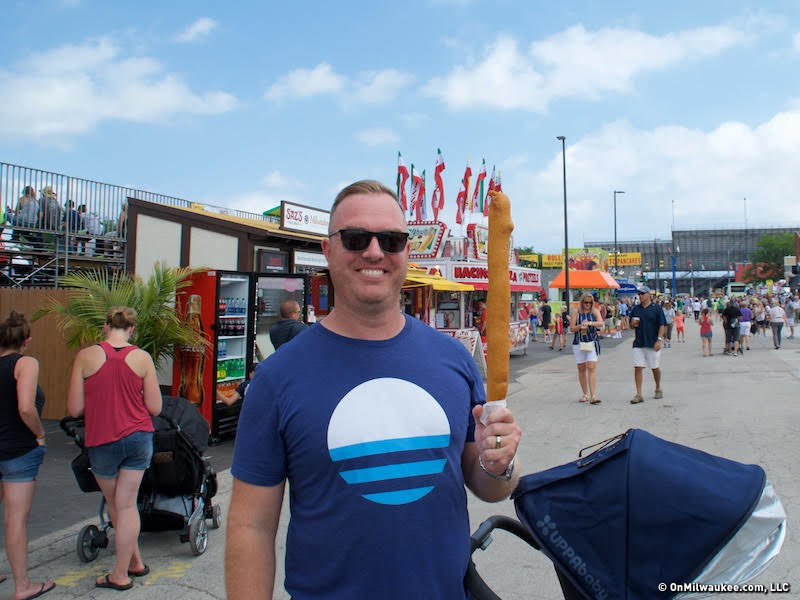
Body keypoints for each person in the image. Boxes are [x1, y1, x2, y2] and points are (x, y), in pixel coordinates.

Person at [225, 180, 522, 599]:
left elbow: (491, 487)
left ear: (406, 252)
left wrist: (501, 462)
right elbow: (250, 527)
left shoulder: (453, 360)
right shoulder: (277, 379)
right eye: (355, 238)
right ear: (328, 251)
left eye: (392, 240)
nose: (374, 252)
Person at [67, 307, 162, 591]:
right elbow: (155, 407)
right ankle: (133, 562)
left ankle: (120, 574)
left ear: (106, 327)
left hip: (102, 439)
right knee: (127, 504)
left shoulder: (85, 356)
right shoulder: (142, 358)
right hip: (138, 438)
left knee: (115, 503)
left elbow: (74, 408)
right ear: (131, 329)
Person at [0, 312, 56, 600]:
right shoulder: (26, 363)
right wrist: (39, 434)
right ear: (27, 340)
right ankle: (22, 586)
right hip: (18, 450)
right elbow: (25, 407)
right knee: (15, 519)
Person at [629, 285, 666, 404]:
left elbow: (662, 325)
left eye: (642, 294)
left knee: (654, 367)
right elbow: (630, 325)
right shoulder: (636, 309)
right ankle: (639, 393)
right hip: (639, 342)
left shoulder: (656, 308)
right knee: (638, 367)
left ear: (648, 294)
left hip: (652, 342)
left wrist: (659, 340)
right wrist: (632, 324)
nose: (640, 296)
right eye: (639, 294)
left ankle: (658, 387)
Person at [569, 294, 603, 404]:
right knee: (581, 367)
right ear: (582, 302)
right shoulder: (576, 312)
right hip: (579, 342)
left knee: (591, 366)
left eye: (589, 302)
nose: (587, 305)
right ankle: (585, 393)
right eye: (585, 302)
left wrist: (590, 323)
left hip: (592, 341)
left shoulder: (595, 311)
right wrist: (581, 326)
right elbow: (572, 328)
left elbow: (601, 323)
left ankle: (593, 395)